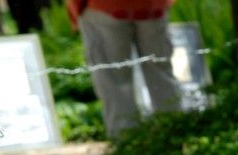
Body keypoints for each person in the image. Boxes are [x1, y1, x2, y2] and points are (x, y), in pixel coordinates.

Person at [67, 0, 182, 138]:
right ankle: (174, 138)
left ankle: (127, 143)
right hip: (153, 6)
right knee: (161, 75)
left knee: (114, 81)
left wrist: (77, 7)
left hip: (103, 7)